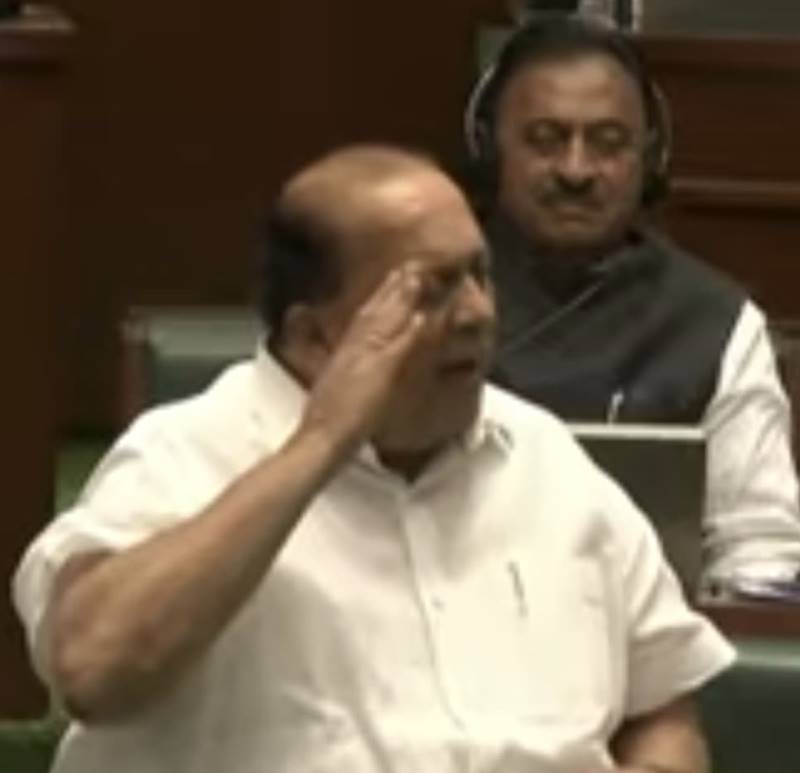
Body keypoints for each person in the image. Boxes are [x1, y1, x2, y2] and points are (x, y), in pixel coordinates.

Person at [14, 145, 732, 773]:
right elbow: (94, 671)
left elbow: (661, 710)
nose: (478, 313)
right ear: (315, 337)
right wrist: (322, 442)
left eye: (480, 275)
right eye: (431, 290)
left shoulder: (547, 460)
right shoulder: (186, 453)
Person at [462, 16, 800, 592]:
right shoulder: (420, 295)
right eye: (545, 139)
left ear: (650, 157)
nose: (576, 170)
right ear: (490, 148)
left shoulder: (714, 322)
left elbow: (759, 557)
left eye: (608, 143)